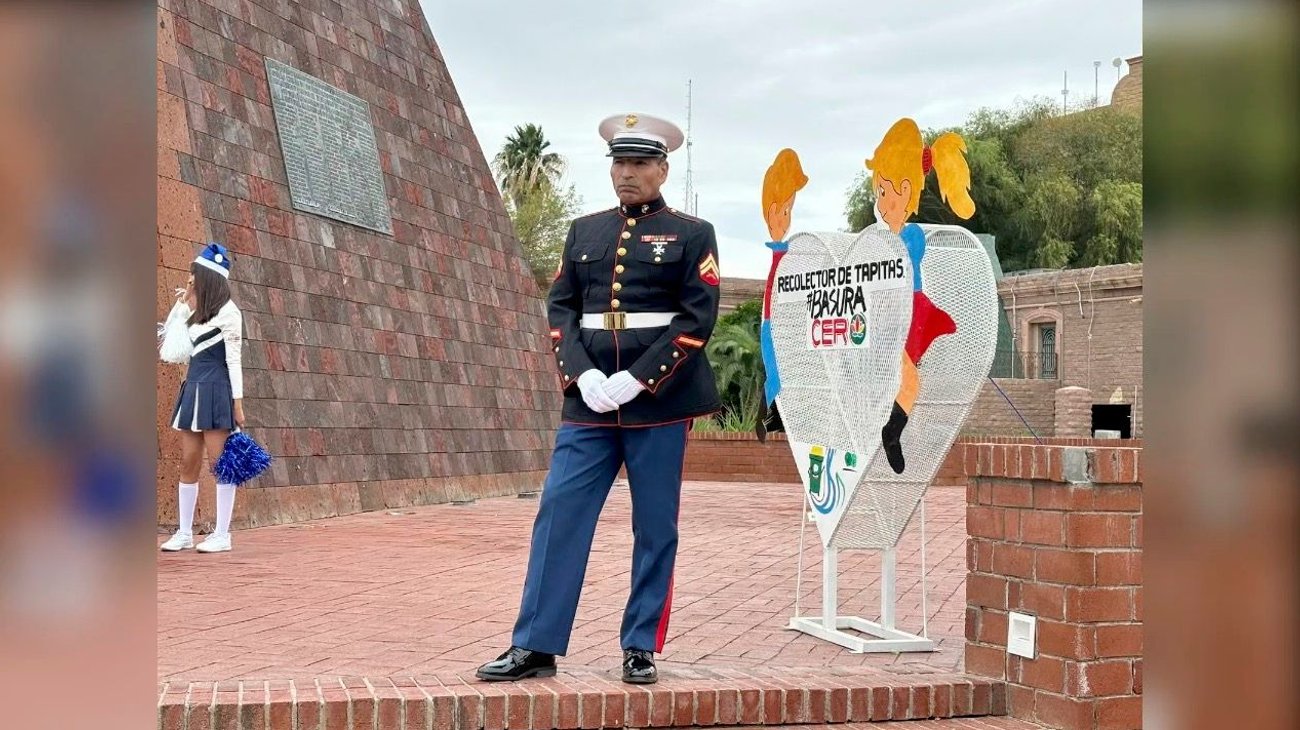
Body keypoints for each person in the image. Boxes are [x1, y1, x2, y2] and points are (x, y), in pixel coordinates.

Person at [476, 113, 722, 684]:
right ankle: (535, 643)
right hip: (588, 402)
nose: (627, 173)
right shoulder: (583, 230)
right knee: (559, 512)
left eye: (639, 163)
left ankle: (641, 645)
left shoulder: (692, 232)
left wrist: (639, 378)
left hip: (659, 400)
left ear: (662, 168)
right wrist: (581, 374)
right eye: (619, 162)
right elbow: (561, 307)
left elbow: (695, 318)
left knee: (654, 525)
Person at [865, 118, 974, 473]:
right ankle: (890, 430)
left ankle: (891, 431)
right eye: (878, 192)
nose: (881, 202)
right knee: (906, 378)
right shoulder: (892, 237)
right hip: (897, 311)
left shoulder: (910, 236)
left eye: (885, 192)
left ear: (905, 189)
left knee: (909, 379)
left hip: (907, 311)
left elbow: (898, 275)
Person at [158, 243, 245, 553]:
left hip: (217, 389)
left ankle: (223, 534)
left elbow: (233, 359)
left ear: (207, 277)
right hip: (193, 387)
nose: (189, 278)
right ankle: (184, 532)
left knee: (221, 463)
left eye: (193, 274)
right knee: (188, 461)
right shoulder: (195, 312)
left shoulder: (229, 313)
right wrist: (182, 308)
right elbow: (173, 352)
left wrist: (237, 402)